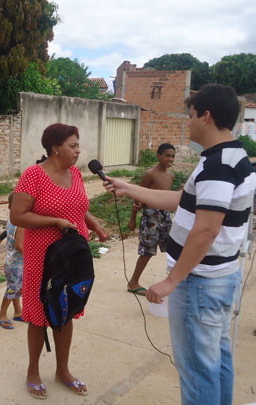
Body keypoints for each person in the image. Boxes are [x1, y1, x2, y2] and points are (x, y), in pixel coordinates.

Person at [103, 84, 256, 405]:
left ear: (207, 116)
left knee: (198, 372)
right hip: (220, 279)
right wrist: (130, 189)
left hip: (200, 285)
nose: (187, 123)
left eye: (190, 115)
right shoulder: (231, 156)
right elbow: (184, 201)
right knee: (217, 361)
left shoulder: (218, 167)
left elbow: (206, 230)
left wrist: (172, 280)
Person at [11, 123, 109, 400]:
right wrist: (55, 221)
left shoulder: (76, 174)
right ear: (55, 148)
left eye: (78, 145)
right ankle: (33, 371)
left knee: (66, 309)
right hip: (43, 256)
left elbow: (78, 208)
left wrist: (97, 226)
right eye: (73, 146)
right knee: (39, 313)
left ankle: (62, 370)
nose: (78, 151)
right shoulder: (34, 176)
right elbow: (18, 215)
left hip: (73, 255)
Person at [126, 143, 175, 295]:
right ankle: (133, 282)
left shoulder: (171, 175)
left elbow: (167, 196)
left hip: (165, 215)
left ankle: (175, 280)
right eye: (167, 155)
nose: (170, 159)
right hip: (150, 217)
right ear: (158, 156)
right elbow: (137, 197)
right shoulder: (150, 175)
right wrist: (132, 219)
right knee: (148, 250)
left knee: (174, 247)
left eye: (173, 156)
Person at [0, 193, 23, 329]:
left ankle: (18, 312)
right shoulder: (21, 224)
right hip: (17, 263)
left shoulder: (11, 219)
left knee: (15, 287)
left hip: (10, 261)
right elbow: (20, 246)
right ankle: (2, 314)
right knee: (13, 289)